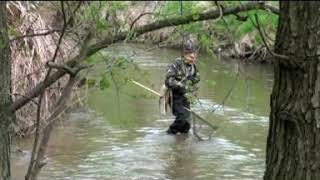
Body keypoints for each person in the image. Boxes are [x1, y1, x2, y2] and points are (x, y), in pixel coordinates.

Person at [164, 39, 200, 135]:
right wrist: (181, 85)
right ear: (184, 55)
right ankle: (169, 134)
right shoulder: (176, 65)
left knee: (187, 124)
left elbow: (196, 79)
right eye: (190, 56)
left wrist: (193, 90)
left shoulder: (193, 68)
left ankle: (182, 141)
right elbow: (168, 81)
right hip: (176, 96)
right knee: (181, 118)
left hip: (187, 97)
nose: (193, 59)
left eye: (194, 56)